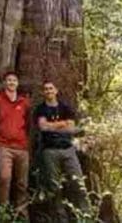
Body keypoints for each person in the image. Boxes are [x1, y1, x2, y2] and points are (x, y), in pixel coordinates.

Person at [34, 80, 89, 221]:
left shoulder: (65, 108)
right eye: (46, 89)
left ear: (56, 90)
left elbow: (71, 128)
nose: (48, 91)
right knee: (54, 187)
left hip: (68, 150)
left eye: (51, 88)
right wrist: (62, 124)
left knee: (77, 182)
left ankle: (85, 215)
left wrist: (53, 125)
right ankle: (60, 218)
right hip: (50, 151)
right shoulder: (40, 109)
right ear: (43, 92)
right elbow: (43, 127)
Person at [0, 70, 31, 213]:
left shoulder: (24, 102)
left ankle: (21, 213)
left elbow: (28, 124)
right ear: (5, 83)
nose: (11, 83)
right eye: (9, 80)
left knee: (22, 183)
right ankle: (2, 211)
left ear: (17, 84)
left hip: (22, 148)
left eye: (14, 80)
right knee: (4, 178)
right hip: (4, 146)